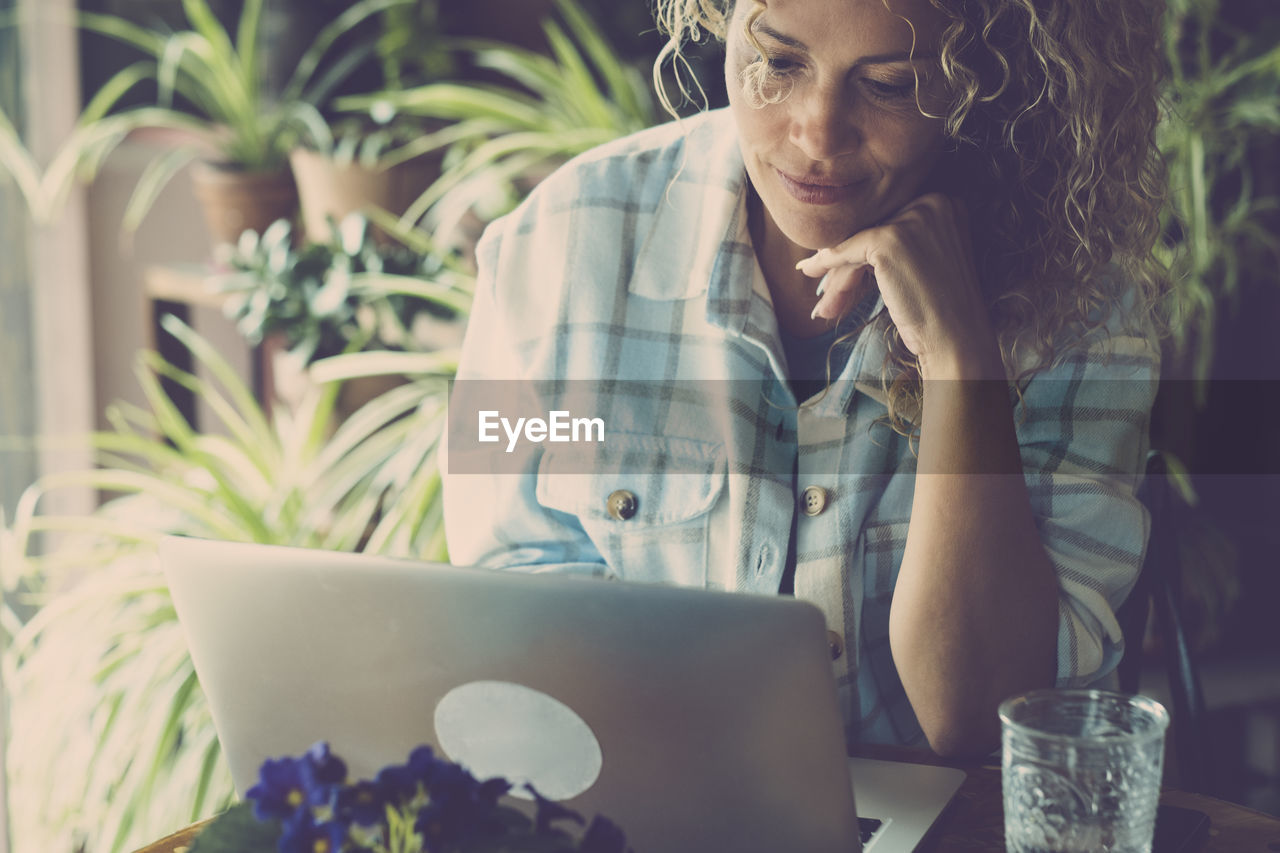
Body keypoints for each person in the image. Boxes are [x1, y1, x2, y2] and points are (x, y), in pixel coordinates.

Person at [442, 0, 1169, 757]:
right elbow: (511, 616)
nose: (817, 132)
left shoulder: (1078, 306)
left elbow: (987, 721)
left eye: (889, 84)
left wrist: (960, 364)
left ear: (985, 85)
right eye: (776, 62)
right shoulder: (559, 244)